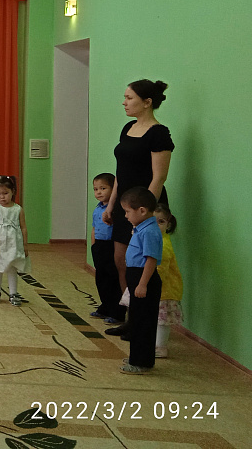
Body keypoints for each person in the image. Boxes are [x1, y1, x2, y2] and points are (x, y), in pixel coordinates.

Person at [103, 79, 172, 338]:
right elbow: (121, 173)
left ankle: (141, 321)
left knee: (141, 265)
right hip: (125, 206)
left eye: (129, 98)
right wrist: (111, 205)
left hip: (143, 210)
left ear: (147, 102)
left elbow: (158, 177)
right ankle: (131, 315)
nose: (124, 102)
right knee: (122, 261)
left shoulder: (159, 133)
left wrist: (145, 215)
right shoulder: (128, 128)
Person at [119, 187, 162, 374]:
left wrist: (143, 284)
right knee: (136, 319)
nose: (126, 216)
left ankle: (141, 362)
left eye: (128, 211)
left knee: (143, 322)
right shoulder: (141, 228)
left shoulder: (149, 231)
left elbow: (151, 259)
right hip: (136, 276)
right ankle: (137, 356)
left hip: (144, 278)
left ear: (142, 211)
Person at [0, 175, 30, 306]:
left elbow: (23, 227)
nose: (2, 197)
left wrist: (25, 245)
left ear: (12, 191)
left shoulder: (18, 209)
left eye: (5, 193)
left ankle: (13, 293)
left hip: (13, 243)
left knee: (12, 267)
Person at [89, 172, 123, 324]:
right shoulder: (97, 209)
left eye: (103, 188)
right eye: (96, 189)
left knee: (113, 279)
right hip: (99, 246)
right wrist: (94, 245)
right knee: (101, 278)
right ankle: (105, 306)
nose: (99, 192)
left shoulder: (116, 209)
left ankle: (117, 311)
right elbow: (94, 228)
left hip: (112, 246)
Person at [153, 203, 183, 359]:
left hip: (164, 290)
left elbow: (160, 271)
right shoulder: (154, 239)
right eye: (153, 222)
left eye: (161, 222)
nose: (157, 225)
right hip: (157, 288)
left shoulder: (163, 244)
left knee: (162, 321)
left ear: (168, 224)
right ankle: (154, 344)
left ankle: (161, 347)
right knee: (155, 319)